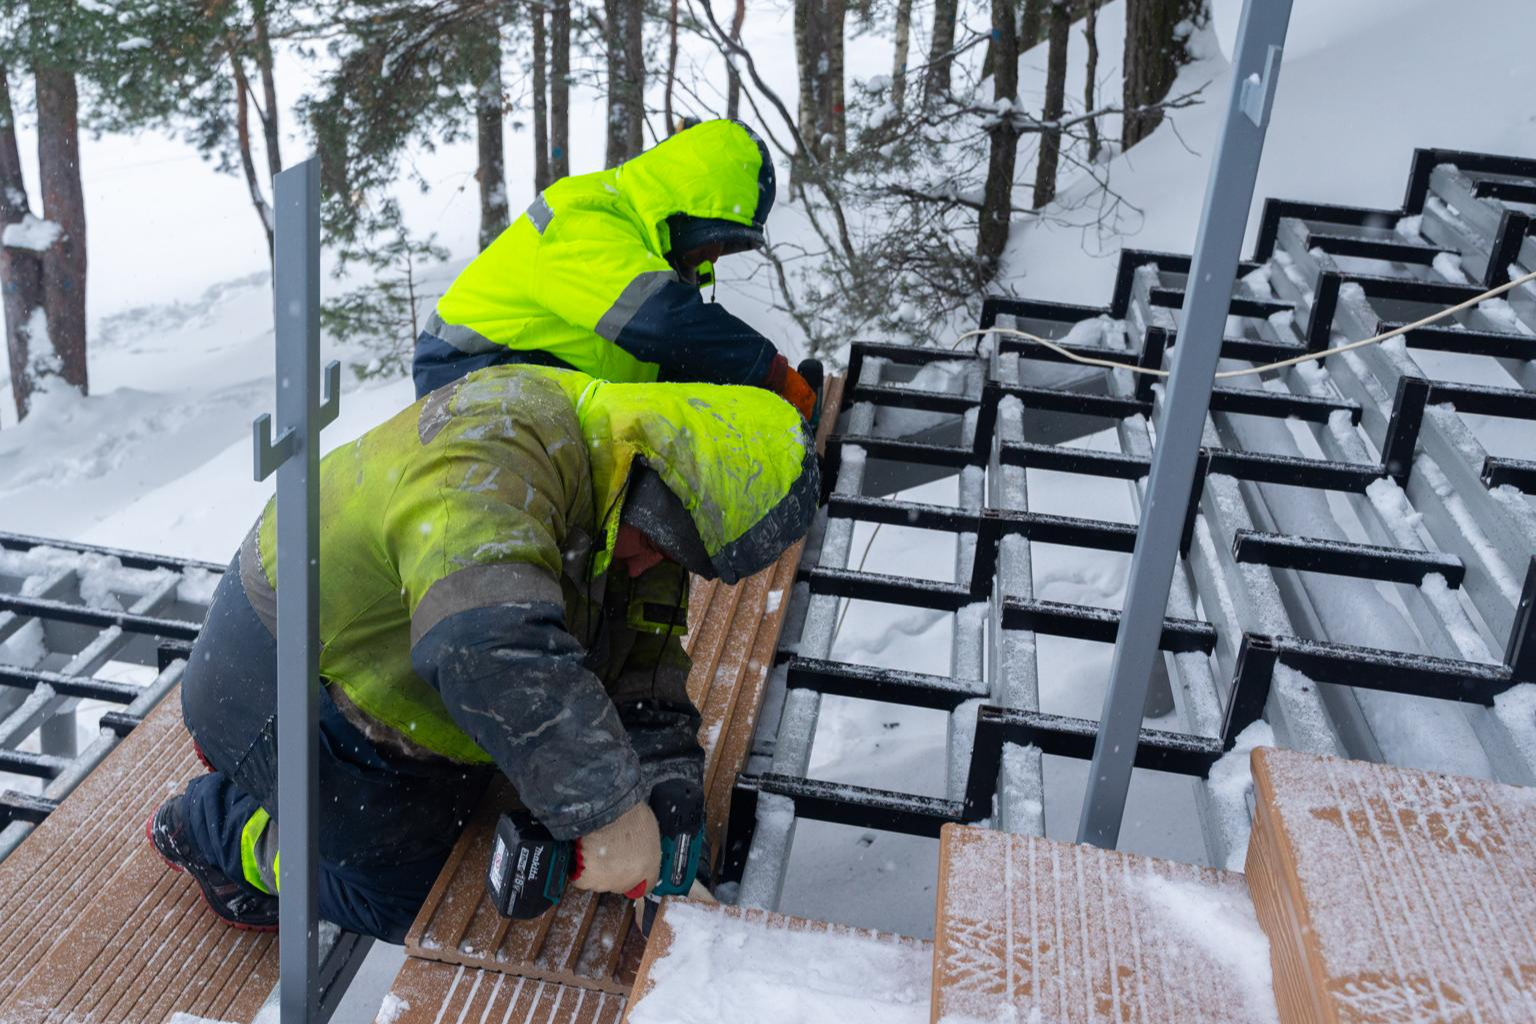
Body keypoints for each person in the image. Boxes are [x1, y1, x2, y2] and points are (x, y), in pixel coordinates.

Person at [146, 364, 819, 942]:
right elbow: (479, 641)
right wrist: (610, 810)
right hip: (277, 674)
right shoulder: (500, 448)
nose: (652, 568)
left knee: (502, 807)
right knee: (420, 901)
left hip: (382, 666)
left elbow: (643, 664)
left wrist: (665, 790)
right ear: (654, 486)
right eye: (660, 547)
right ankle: (215, 826)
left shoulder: (640, 498)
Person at [412, 119, 815, 420]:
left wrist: (752, 398)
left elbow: (674, 361)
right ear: (685, 212)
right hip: (464, 376)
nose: (713, 256)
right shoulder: (584, 217)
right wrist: (768, 371)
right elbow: (664, 323)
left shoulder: (650, 251)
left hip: (533, 377)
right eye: (714, 239)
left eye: (727, 247)